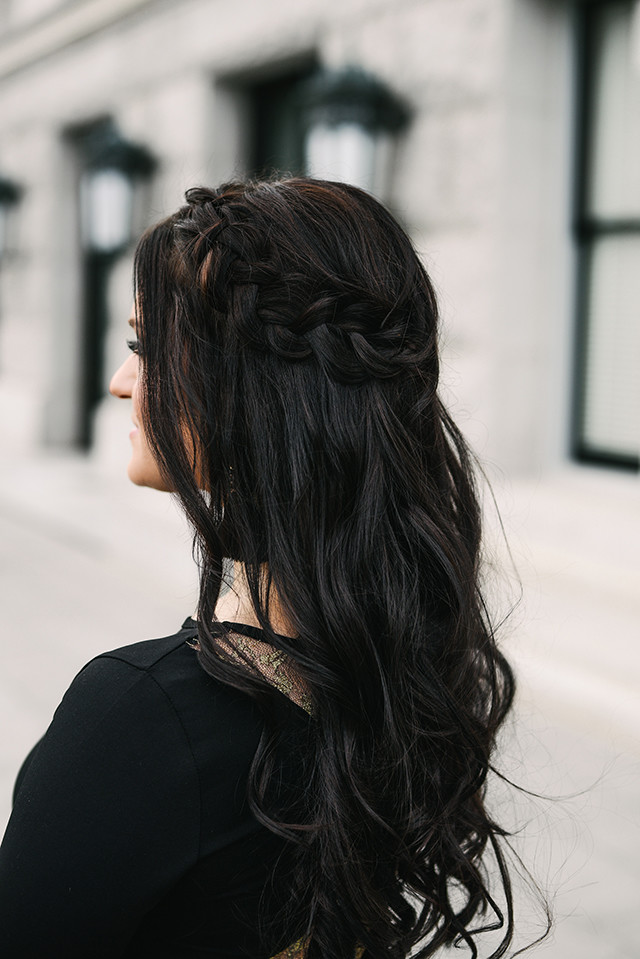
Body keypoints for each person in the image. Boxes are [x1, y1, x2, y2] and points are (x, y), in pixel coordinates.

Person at [0, 178, 517, 958]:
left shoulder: (141, 720)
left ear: (246, 385)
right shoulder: (382, 667)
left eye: (142, 346)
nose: (119, 381)